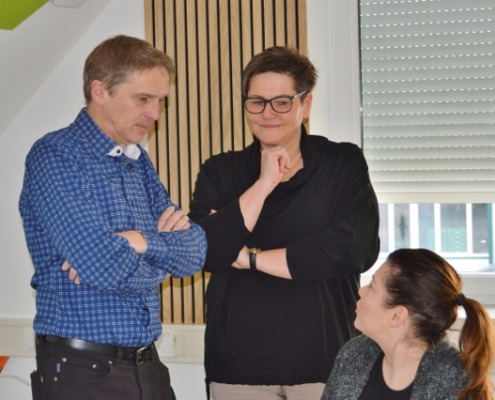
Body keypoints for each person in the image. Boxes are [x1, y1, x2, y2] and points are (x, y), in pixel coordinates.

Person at [19, 35, 207, 400]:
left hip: (148, 367)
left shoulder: (137, 162)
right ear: (100, 90)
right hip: (80, 371)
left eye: (160, 101)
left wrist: (139, 242)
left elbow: (195, 251)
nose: (155, 114)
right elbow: (104, 264)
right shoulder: (54, 156)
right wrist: (160, 257)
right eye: (143, 99)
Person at [188, 46, 380, 400]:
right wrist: (263, 184)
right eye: (256, 102)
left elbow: (354, 250)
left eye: (282, 102)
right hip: (238, 366)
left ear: (306, 104)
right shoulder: (220, 171)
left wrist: (250, 258)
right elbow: (207, 253)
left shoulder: (342, 162)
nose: (268, 113)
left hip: (326, 360)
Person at [321, 248, 495, 400]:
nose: (361, 291)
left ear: (396, 316)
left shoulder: (455, 382)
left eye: (372, 286)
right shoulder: (353, 354)